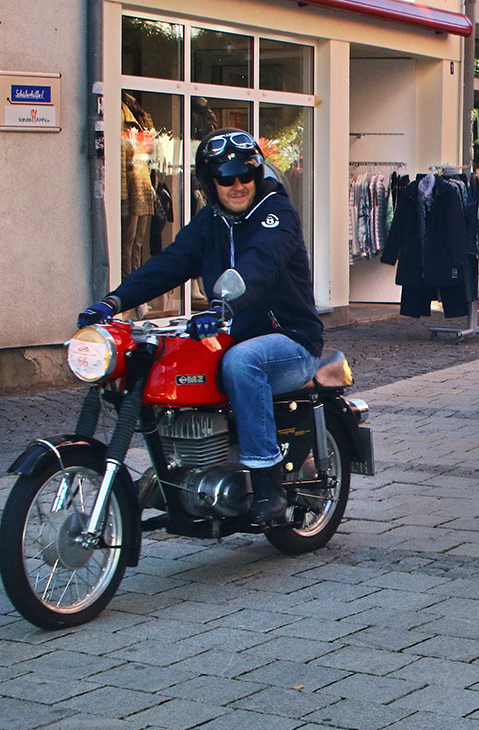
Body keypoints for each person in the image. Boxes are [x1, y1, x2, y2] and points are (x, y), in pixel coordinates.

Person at [77, 129, 323, 524]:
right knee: (164, 362)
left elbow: (260, 262)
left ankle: (267, 483)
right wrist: (114, 302)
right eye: (226, 178)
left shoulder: (277, 214)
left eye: (246, 174)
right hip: (231, 334)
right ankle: (175, 470)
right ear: (210, 184)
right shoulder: (210, 221)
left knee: (243, 363)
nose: (238, 185)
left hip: (290, 339)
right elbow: (169, 263)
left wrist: (225, 302)